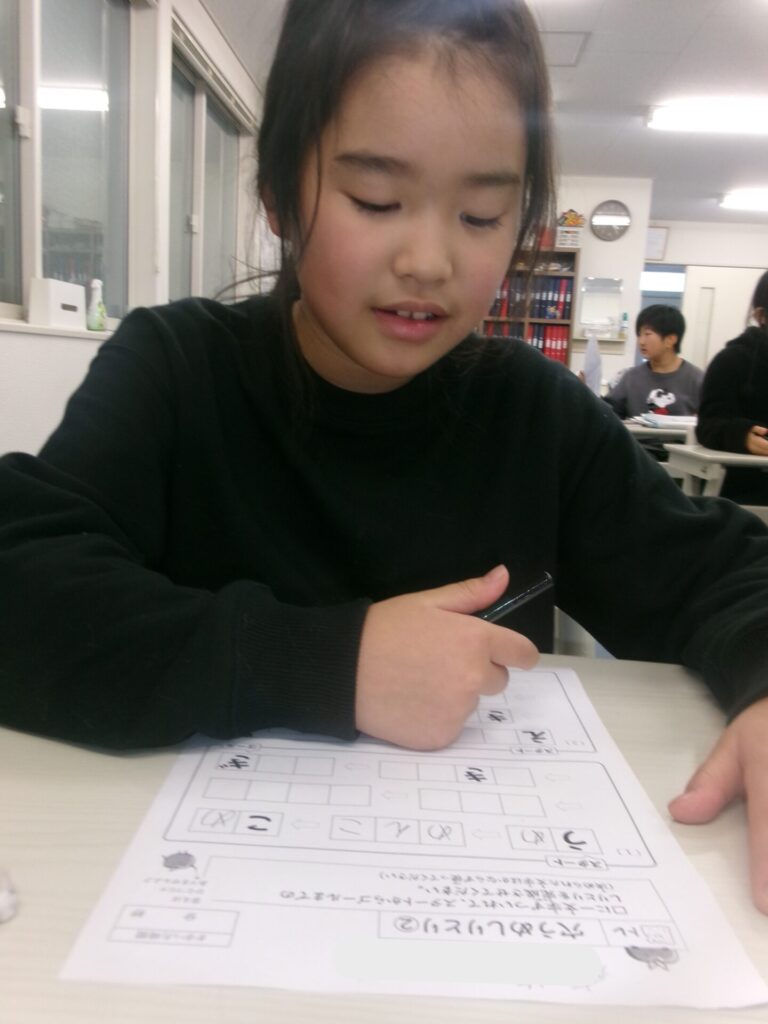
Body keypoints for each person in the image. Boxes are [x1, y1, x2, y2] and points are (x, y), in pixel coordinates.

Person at [1, 0, 768, 916]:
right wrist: (333, 663)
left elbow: (725, 574)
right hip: (201, 894)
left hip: (478, 898)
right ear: (278, 193)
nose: (429, 260)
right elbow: (20, 584)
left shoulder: (535, 413)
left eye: (481, 214)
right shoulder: (178, 369)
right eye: (375, 200)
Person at [696, 270, 768, 504]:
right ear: (760, 315)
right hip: (746, 489)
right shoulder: (731, 361)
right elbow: (709, 425)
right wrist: (742, 436)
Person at [603, 304, 703, 419]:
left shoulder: (696, 379)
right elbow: (608, 414)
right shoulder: (631, 377)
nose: (641, 342)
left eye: (647, 334)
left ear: (670, 340)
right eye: (639, 335)